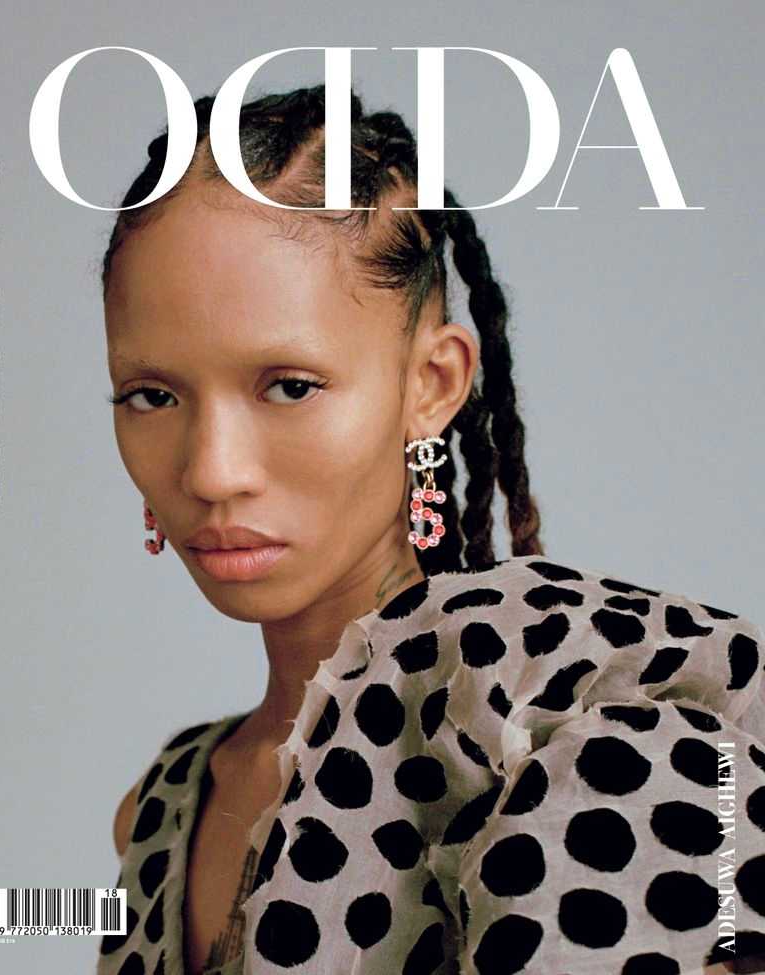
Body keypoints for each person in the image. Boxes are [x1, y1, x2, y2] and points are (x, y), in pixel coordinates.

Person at [95, 84, 765, 975]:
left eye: (289, 386)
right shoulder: (160, 810)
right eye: (153, 395)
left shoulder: (571, 713)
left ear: (433, 384)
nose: (211, 471)